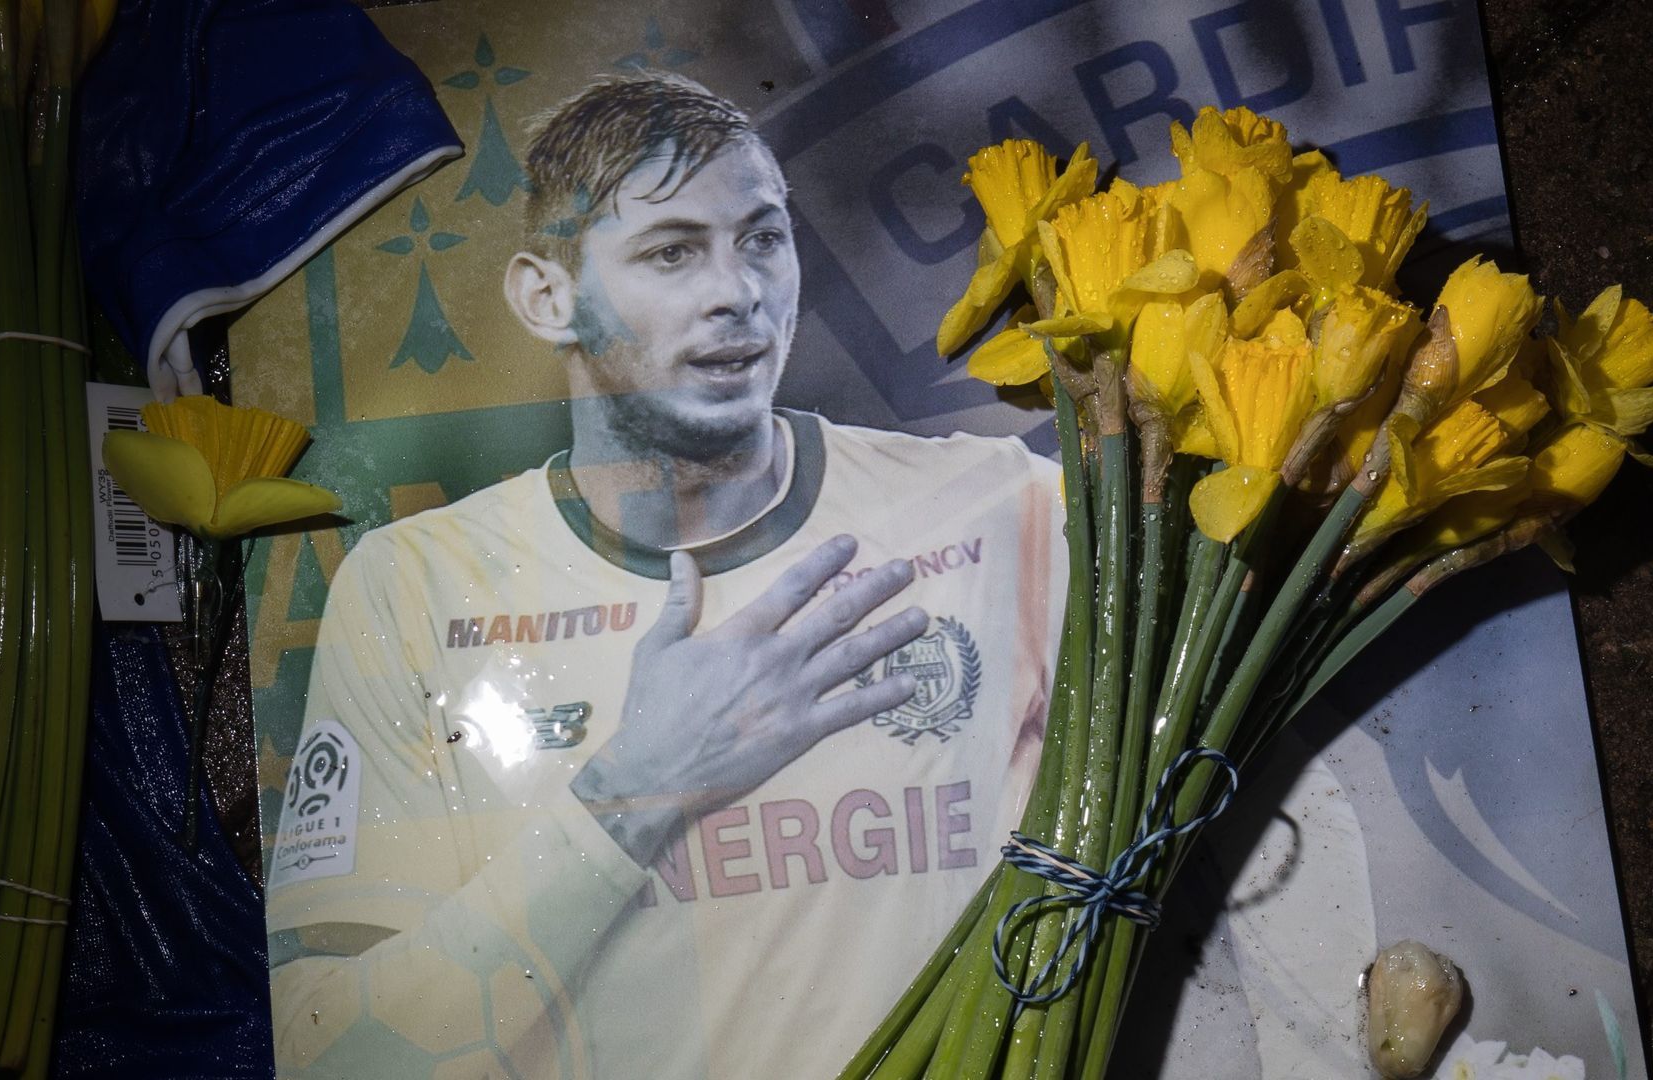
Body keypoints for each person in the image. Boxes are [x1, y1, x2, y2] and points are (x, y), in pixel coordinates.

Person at [263, 71, 1066, 1079]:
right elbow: (330, 1055)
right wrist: (632, 793)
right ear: (547, 298)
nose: (738, 292)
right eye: (672, 251)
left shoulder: (1002, 508)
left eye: (762, 238)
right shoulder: (415, 589)